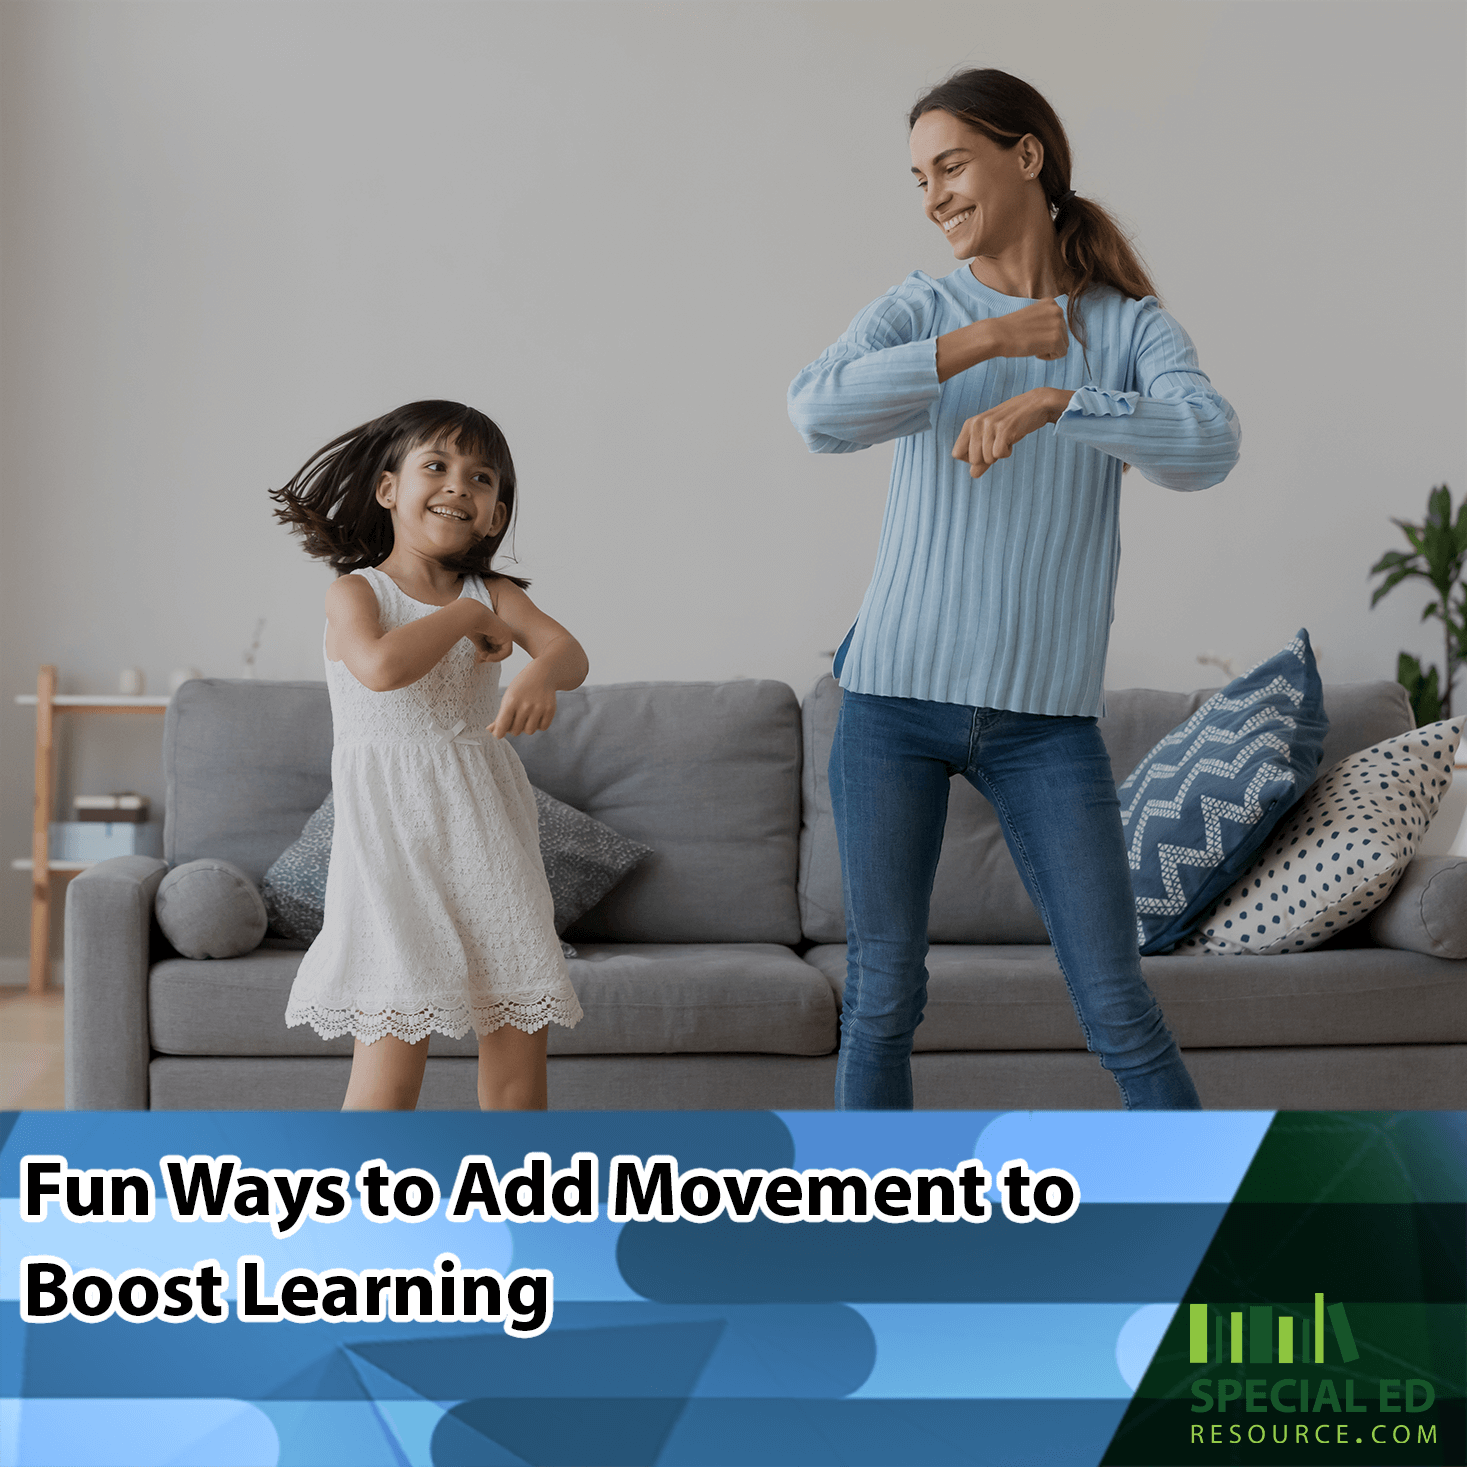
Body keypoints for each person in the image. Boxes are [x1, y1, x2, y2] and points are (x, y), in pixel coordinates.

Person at [787, 69, 1241, 1111]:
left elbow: (1209, 445)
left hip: (1046, 723)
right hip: (891, 705)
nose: (935, 194)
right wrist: (985, 341)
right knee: (885, 995)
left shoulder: (1129, 331)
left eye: (951, 165)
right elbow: (814, 411)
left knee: (1116, 1003)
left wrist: (1058, 401)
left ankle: (1214, 1235)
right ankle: (870, 1245)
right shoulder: (922, 307)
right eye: (919, 178)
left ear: (1025, 155)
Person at [270, 400, 585, 1110]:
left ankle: (521, 1208)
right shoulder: (357, 593)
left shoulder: (495, 590)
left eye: (480, 478)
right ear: (389, 489)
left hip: (488, 832)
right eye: (436, 466)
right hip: (391, 848)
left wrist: (539, 671)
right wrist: (467, 618)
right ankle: (362, 1216)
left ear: (495, 516)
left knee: (514, 1048)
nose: (457, 485)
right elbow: (380, 669)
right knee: (389, 1067)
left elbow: (569, 651)